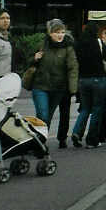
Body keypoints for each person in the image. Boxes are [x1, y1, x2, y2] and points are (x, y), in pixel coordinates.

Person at [26, 19, 79, 148]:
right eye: (56, 32)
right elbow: (27, 61)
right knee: (43, 114)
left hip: (58, 88)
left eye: (62, 32)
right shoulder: (42, 44)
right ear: (50, 33)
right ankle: (38, 143)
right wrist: (34, 58)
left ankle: (40, 142)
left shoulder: (68, 48)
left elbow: (73, 67)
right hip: (40, 86)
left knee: (47, 117)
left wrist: (73, 89)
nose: (60, 35)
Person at [70, 23, 106, 148]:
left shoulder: (78, 43)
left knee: (85, 108)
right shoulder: (98, 42)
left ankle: (77, 132)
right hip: (98, 78)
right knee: (97, 109)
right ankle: (92, 140)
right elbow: (105, 57)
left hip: (83, 79)